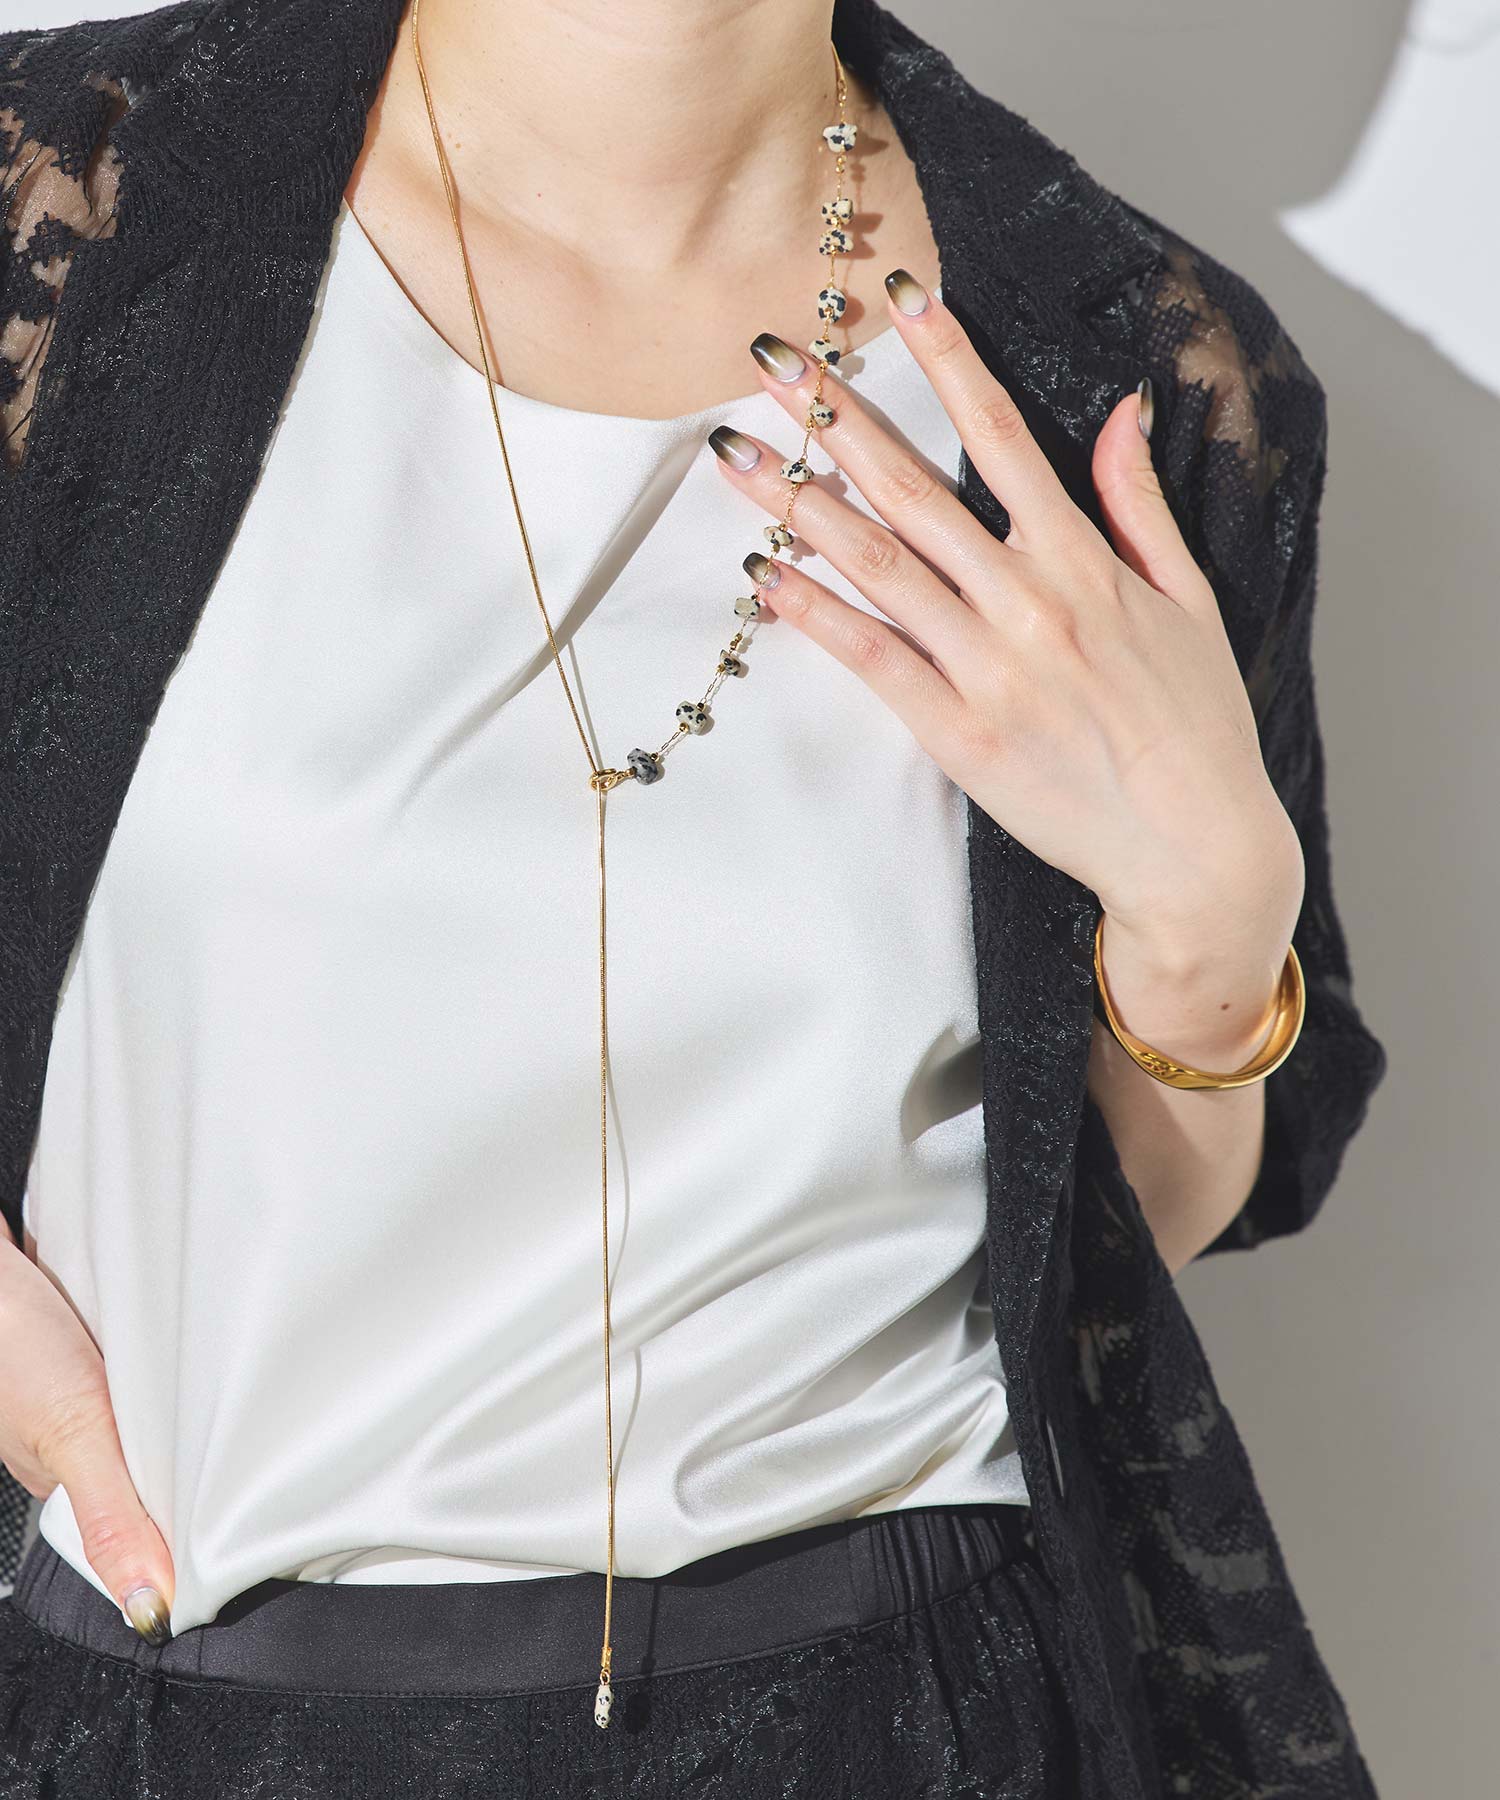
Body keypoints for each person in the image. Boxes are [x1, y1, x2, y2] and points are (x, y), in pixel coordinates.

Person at [0, 0, 1388, 1793]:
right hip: (183, 1712)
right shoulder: (64, 203)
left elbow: (1105, 1248)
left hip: (912, 1719)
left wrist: (1208, 934)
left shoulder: (1129, 370)